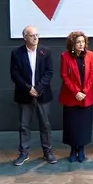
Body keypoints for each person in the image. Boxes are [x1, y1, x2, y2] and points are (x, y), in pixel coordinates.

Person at [10, 26, 57, 166]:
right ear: (25, 37)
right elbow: (15, 74)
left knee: (45, 125)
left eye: (37, 35)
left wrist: (38, 88)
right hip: (24, 95)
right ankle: (24, 153)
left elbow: (49, 72)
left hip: (42, 94)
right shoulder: (16, 53)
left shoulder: (46, 52)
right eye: (32, 35)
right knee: (24, 126)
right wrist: (28, 88)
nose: (35, 38)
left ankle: (48, 152)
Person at [58, 31, 93, 162]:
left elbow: (92, 74)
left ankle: (81, 149)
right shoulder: (65, 56)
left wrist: (84, 91)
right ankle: (73, 148)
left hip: (86, 96)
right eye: (78, 42)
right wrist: (76, 92)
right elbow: (64, 76)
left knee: (84, 125)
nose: (81, 44)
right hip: (71, 96)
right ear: (72, 44)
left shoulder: (90, 55)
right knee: (72, 125)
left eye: (83, 42)